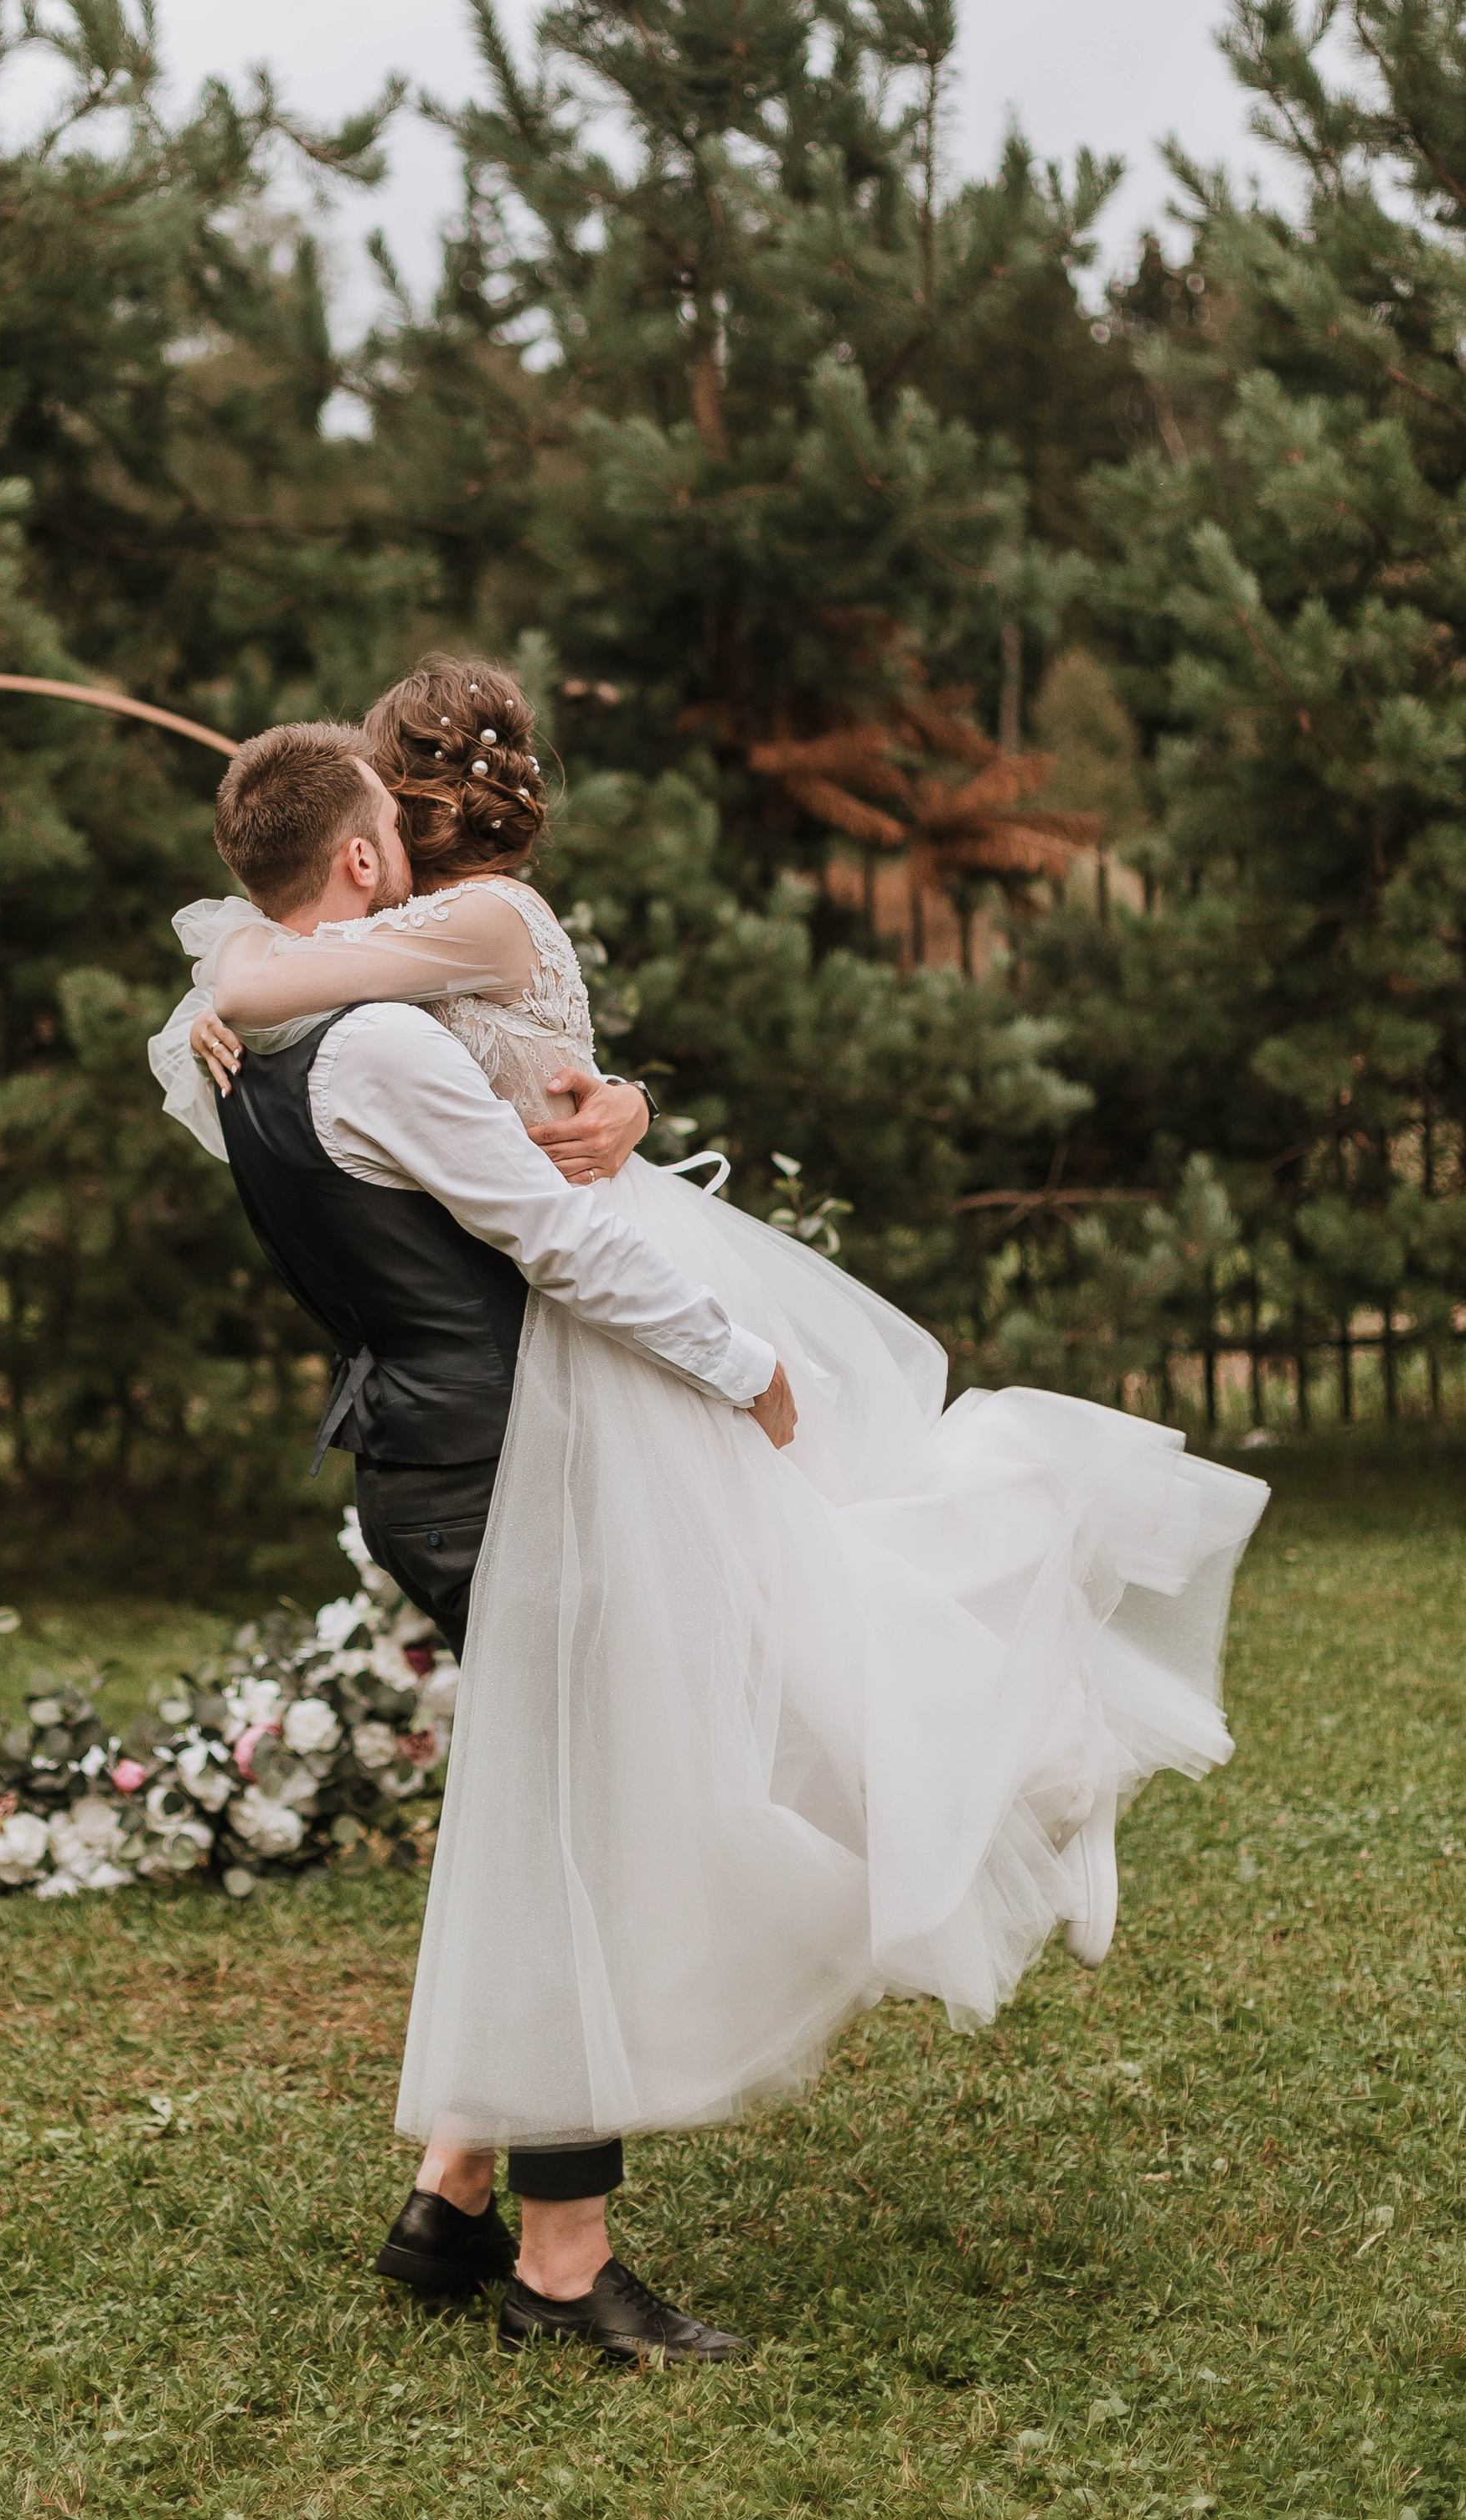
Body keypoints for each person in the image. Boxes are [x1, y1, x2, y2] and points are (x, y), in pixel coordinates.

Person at [150, 662, 1268, 2365]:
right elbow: (557, 1240)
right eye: (381, 820)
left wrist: (238, 982)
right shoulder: (364, 1025)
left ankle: (456, 2191)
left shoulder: (262, 1041)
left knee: (563, 1792)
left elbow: (275, 994)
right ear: (366, 860)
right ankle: (558, 2261)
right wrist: (741, 1359)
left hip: (424, 1448)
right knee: (589, 1823)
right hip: (495, 1452)